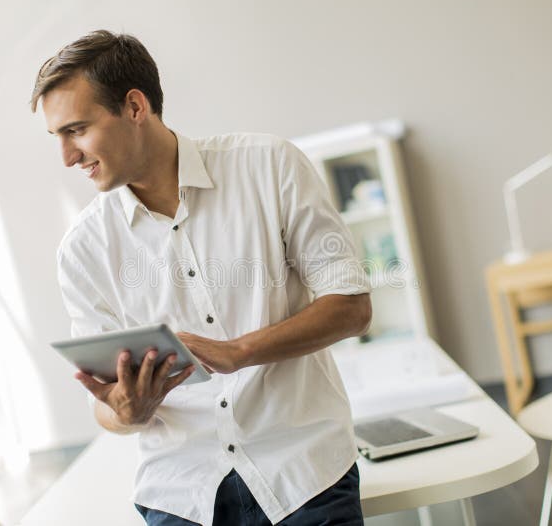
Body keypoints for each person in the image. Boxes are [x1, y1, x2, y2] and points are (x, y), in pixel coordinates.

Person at [31, 29, 372, 526]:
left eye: (77, 130)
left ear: (133, 106)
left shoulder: (269, 165)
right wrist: (127, 409)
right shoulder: (83, 250)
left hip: (304, 473)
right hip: (182, 495)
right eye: (57, 137)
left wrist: (239, 352)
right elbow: (106, 408)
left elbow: (352, 306)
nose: (67, 156)